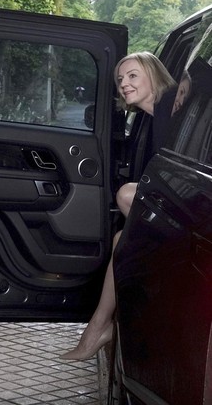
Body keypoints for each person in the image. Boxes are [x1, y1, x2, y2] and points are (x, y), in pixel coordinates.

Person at [60, 51, 177, 361]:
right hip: (174, 211)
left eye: (133, 75)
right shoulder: (148, 119)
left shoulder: (173, 104)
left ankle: (97, 330)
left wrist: (190, 85)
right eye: (120, 79)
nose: (124, 84)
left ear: (154, 74)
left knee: (126, 195)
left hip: (189, 215)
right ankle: (98, 327)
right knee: (117, 240)